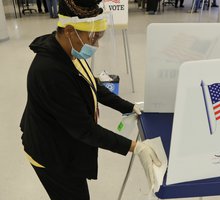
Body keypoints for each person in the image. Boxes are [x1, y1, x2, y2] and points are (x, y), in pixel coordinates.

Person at [20, 0, 161, 199]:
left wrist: (128, 107)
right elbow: (85, 130)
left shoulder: (67, 50)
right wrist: (135, 148)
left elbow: (92, 85)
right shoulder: (50, 71)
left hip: (64, 139)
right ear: (69, 30)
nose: (96, 44)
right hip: (51, 153)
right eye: (93, 37)